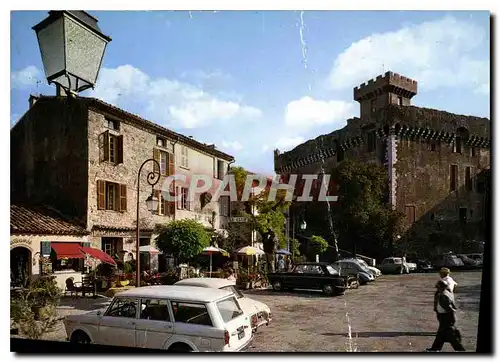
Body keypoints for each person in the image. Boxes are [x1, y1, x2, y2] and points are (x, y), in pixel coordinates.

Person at [426, 280, 465, 352]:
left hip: (446, 317)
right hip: (445, 316)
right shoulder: (447, 292)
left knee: (450, 335)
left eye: (438, 287)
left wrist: (450, 319)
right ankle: (435, 348)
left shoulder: (443, 295)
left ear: (441, 287)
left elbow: (450, 309)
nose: (437, 289)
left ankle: (460, 349)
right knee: (441, 334)